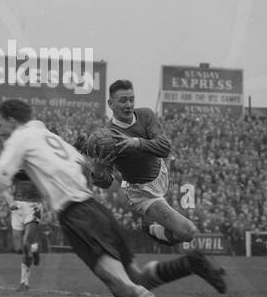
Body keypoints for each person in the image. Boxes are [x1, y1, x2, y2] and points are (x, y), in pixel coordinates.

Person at [0, 98, 227, 297]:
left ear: (12, 120)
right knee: (135, 275)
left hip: (77, 216)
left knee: (122, 285)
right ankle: (191, 263)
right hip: (96, 209)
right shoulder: (51, 138)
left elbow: (1, 177)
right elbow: (86, 171)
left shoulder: (21, 136)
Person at [74, 80, 198, 246]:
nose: (129, 105)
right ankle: (151, 229)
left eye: (131, 99)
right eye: (123, 100)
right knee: (187, 232)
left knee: (179, 233)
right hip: (143, 193)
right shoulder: (106, 137)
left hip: (161, 172)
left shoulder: (146, 115)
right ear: (110, 104)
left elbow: (165, 147)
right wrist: (98, 172)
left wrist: (136, 142)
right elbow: (105, 182)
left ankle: (152, 226)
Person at [11, 170, 44, 290]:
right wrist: (10, 202)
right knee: (18, 249)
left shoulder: (37, 166)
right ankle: (35, 248)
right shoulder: (14, 167)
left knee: (26, 242)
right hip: (17, 208)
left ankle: (24, 283)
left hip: (33, 206)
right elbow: (3, 187)